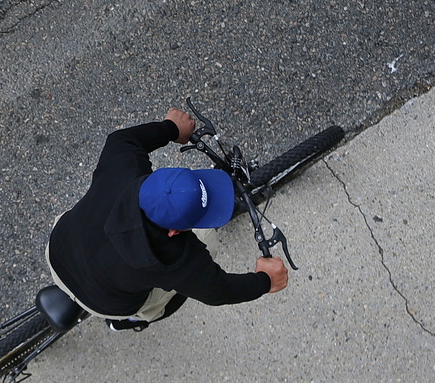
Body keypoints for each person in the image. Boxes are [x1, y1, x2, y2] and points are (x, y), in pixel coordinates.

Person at [46, 107, 289, 331]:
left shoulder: (124, 168)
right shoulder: (176, 259)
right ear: (173, 232)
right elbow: (218, 291)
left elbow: (121, 140)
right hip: (104, 302)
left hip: (59, 248)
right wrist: (265, 281)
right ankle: (127, 322)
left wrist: (171, 127)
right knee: (209, 242)